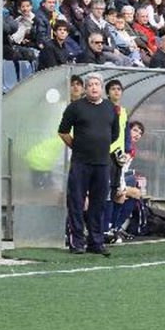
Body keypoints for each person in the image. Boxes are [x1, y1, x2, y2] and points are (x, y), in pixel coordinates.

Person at [58, 72, 119, 255]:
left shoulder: (110, 108)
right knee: (76, 202)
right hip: (80, 163)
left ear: (101, 88)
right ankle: (77, 242)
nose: (94, 87)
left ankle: (96, 242)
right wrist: (77, 146)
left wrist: (99, 145)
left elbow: (114, 134)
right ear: (85, 88)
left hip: (102, 164)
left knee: (98, 204)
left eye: (97, 84)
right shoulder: (75, 107)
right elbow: (63, 132)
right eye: (90, 84)